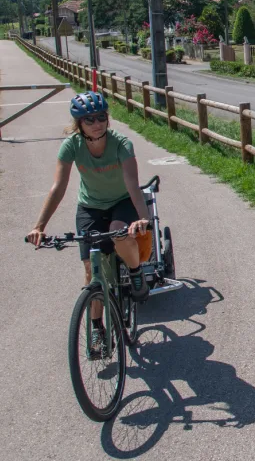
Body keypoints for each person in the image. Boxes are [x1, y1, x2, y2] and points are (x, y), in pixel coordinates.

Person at [27, 92, 150, 356]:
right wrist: (39, 226)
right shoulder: (71, 145)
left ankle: (136, 270)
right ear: (79, 123)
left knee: (119, 234)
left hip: (122, 201)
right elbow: (58, 187)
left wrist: (142, 218)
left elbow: (132, 184)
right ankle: (97, 328)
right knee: (91, 269)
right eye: (89, 119)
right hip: (90, 206)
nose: (97, 123)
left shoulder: (121, 144)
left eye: (101, 117)